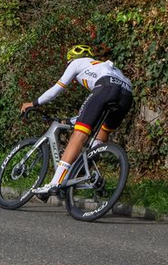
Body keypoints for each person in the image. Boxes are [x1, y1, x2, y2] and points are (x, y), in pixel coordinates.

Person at [20, 44, 133, 196]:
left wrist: (33, 103)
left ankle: (55, 183)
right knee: (101, 133)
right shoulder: (103, 66)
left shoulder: (76, 63)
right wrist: (70, 120)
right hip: (127, 94)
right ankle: (83, 170)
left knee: (79, 135)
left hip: (106, 88)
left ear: (71, 59)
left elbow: (55, 90)